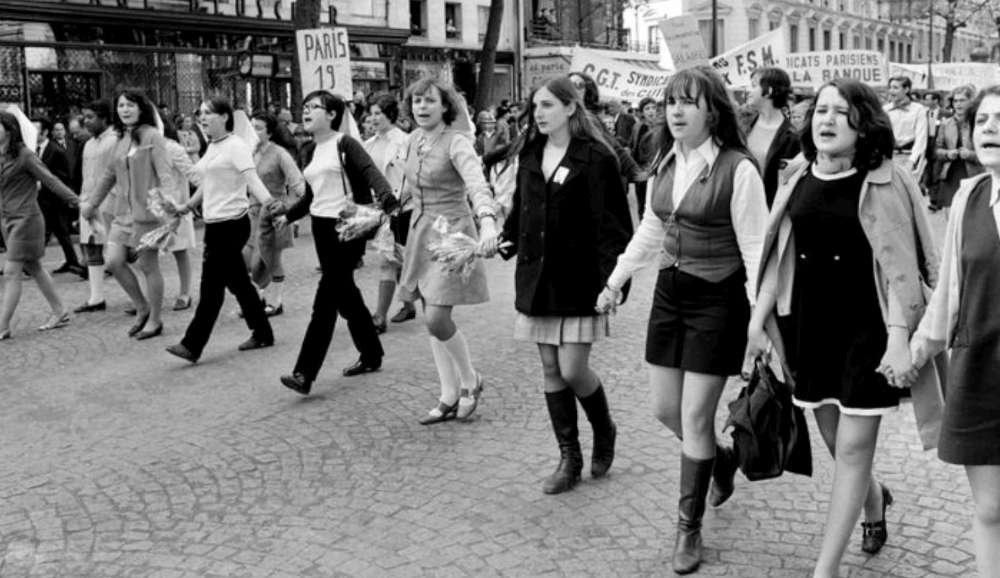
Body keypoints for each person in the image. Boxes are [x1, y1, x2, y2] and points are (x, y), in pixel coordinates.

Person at [746, 78, 939, 578]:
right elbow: (776, 257)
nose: (826, 120)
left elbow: (902, 269)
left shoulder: (886, 180)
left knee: (853, 450)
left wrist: (899, 337)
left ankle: (825, 569)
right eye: (820, 111)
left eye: (841, 111)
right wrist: (756, 322)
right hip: (808, 327)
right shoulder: (796, 175)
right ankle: (874, 502)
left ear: (864, 123)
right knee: (839, 448)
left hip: (866, 331)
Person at [594, 66, 768, 574]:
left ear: (712, 110)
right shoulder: (666, 160)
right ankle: (722, 457)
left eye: (688, 102)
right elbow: (651, 228)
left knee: (693, 416)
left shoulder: (739, 169)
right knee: (664, 409)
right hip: (670, 294)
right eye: (671, 101)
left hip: (719, 298)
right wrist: (615, 280)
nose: (675, 111)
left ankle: (688, 530)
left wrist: (759, 323)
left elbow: (756, 250)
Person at [484, 76, 632, 494]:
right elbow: (522, 211)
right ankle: (569, 457)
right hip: (538, 278)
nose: (539, 114)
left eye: (547, 105)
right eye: (535, 107)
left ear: (570, 108)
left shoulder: (596, 157)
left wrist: (616, 282)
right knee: (550, 368)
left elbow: (613, 226)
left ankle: (604, 429)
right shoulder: (530, 153)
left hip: (580, 278)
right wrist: (501, 241)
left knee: (572, 368)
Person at [911, 84, 1000, 578]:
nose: (990, 128)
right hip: (981, 366)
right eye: (983, 120)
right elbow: (948, 290)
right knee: (989, 508)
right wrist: (918, 348)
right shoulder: (971, 195)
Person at [276, 91, 400, 395]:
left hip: (348, 226)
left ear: (332, 114)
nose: (306, 112)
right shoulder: (309, 150)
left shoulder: (345, 144)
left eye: (313, 108)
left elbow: (370, 172)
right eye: (304, 108)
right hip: (321, 227)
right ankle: (372, 353)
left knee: (326, 298)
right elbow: (310, 196)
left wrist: (387, 199)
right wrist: (288, 217)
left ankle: (304, 372)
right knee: (346, 295)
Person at [395, 78, 499, 424]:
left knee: (437, 317)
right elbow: (408, 187)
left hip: (451, 235)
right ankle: (448, 394)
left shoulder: (457, 142)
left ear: (445, 107)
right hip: (420, 232)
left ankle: (471, 380)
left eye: (429, 101)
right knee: (431, 318)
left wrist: (487, 220)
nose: (421, 107)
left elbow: (476, 184)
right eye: (417, 101)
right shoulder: (412, 140)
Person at [162, 98, 280, 363]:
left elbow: (252, 178)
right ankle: (262, 331)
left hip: (232, 223)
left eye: (209, 113)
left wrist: (270, 204)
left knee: (210, 288)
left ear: (225, 117)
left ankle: (192, 345)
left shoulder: (236, 145)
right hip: (215, 224)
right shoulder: (213, 147)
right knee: (239, 283)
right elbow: (207, 182)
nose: (202, 118)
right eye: (201, 114)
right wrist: (187, 206)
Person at [82, 89, 177, 339]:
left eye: (130, 105)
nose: (125, 109)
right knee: (113, 261)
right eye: (121, 105)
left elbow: (165, 173)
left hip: (148, 214)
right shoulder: (121, 139)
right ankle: (142, 306)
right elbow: (108, 175)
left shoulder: (152, 137)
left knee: (148, 266)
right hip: (122, 214)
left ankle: (155, 320)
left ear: (141, 108)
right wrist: (91, 204)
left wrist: (169, 206)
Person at [0, 110, 79, 339]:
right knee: (34, 266)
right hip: (8, 221)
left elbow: (50, 180)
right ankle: (60, 310)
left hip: (26, 219)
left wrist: (77, 202)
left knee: (12, 270)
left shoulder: (25, 155)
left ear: (10, 129)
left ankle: (3, 325)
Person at [364, 95, 417, 332]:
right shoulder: (369, 144)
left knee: (405, 261)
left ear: (391, 115)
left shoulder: (406, 141)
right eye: (371, 113)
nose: (373, 118)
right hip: (381, 211)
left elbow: (413, 175)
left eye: (378, 113)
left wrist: (398, 198)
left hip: (405, 209)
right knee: (389, 260)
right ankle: (382, 315)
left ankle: (423, 306)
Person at [250, 111, 305, 316]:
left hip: (274, 212)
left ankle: (276, 301)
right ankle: (259, 297)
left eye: (258, 128)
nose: (254, 132)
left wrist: (299, 204)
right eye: (252, 127)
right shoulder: (251, 151)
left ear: (270, 132)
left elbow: (296, 181)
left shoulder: (280, 153)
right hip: (253, 211)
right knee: (253, 260)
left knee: (271, 258)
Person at [74, 99, 119, 313]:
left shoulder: (115, 140)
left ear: (104, 118)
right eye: (84, 117)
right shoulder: (88, 144)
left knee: (121, 252)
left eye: (91, 117)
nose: (86, 121)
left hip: (110, 202)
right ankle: (96, 298)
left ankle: (142, 293)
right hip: (87, 202)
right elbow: (86, 175)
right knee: (91, 249)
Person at [34, 118, 86, 279]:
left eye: (36, 130)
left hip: (55, 199)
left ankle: (30, 263)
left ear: (44, 132)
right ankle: (72, 261)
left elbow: (65, 176)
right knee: (56, 232)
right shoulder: (34, 149)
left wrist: (45, 183)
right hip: (42, 200)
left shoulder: (56, 150)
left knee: (55, 231)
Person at [743, 67, 801, 207]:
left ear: (768, 91)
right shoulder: (743, 125)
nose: (748, 91)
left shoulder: (792, 138)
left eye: (754, 85)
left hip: (766, 209)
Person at [160, 117, 197, 312]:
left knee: (180, 251)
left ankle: (185, 292)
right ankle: (151, 294)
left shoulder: (172, 148)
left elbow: (194, 174)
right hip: (153, 209)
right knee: (145, 255)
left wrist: (188, 203)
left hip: (176, 208)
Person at [931, 84, 982, 212]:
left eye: (962, 100)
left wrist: (970, 154)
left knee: (972, 213)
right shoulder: (946, 123)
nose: (958, 104)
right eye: (955, 100)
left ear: (971, 102)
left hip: (973, 173)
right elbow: (937, 151)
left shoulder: (979, 122)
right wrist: (948, 154)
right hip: (950, 173)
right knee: (951, 213)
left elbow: (988, 151)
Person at [885, 76, 928, 184]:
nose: (891, 91)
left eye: (895, 88)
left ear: (906, 89)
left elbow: (921, 138)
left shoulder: (918, 109)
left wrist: (912, 161)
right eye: (890, 88)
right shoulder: (885, 109)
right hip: (889, 158)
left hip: (909, 156)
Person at [631, 97, 659, 219]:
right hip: (643, 172)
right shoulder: (639, 128)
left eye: (653, 108)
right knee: (643, 206)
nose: (651, 111)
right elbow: (634, 151)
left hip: (658, 171)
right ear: (642, 112)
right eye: (647, 108)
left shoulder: (661, 128)